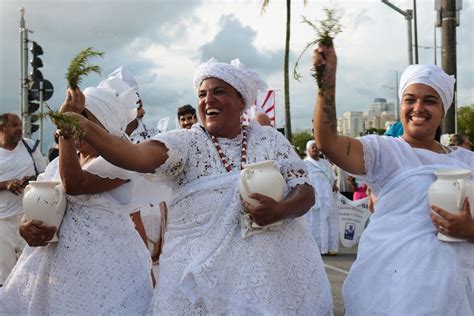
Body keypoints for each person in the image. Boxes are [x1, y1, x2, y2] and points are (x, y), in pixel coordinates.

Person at [58, 58, 333, 315]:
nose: (208, 100)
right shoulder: (187, 143)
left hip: (269, 285)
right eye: (202, 94)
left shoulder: (270, 139)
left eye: (219, 92)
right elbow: (133, 155)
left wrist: (280, 210)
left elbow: (305, 190)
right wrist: (79, 124)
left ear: (241, 100)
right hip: (196, 290)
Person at [312, 44, 474, 315]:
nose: (417, 108)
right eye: (410, 99)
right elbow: (329, 142)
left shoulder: (466, 161)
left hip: (459, 289)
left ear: (443, 110)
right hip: (395, 291)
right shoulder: (385, 151)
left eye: (429, 100)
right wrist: (326, 83)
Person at [0, 86, 153, 314]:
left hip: (106, 273)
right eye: (72, 118)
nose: (76, 124)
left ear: (104, 127)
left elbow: (74, 184)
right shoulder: (55, 165)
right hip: (54, 274)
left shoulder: (118, 163)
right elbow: (36, 205)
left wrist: (65, 129)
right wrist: (26, 227)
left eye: (83, 118)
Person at [0, 113, 46, 286]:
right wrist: (5, 185)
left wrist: (30, 180)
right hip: (2, 222)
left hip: (29, 216)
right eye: (14, 125)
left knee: (33, 269)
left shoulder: (30, 146)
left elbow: (44, 174)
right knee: (5, 273)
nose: (19, 128)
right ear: (1, 128)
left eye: (20, 125)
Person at [304, 140, 339, 255]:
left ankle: (330, 248)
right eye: (312, 148)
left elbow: (332, 178)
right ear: (308, 150)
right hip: (315, 196)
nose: (315, 149)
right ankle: (318, 248)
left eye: (316, 147)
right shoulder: (304, 164)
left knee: (328, 220)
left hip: (327, 197)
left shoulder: (326, 163)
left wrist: (334, 186)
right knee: (315, 221)